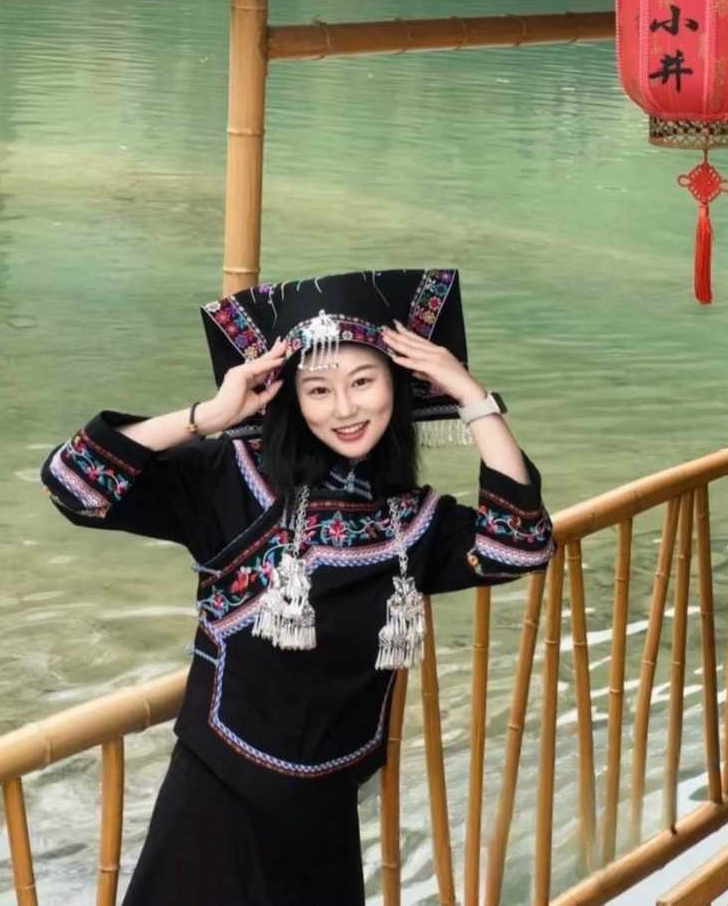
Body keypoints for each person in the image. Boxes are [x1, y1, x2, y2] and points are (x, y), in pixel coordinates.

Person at [41, 268, 554, 905]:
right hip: (213, 804)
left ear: (398, 385)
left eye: (363, 382)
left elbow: (521, 545)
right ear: (291, 398)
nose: (344, 409)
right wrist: (208, 415)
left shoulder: (411, 522)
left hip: (325, 817)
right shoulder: (227, 478)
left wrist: (471, 397)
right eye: (318, 390)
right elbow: (73, 483)